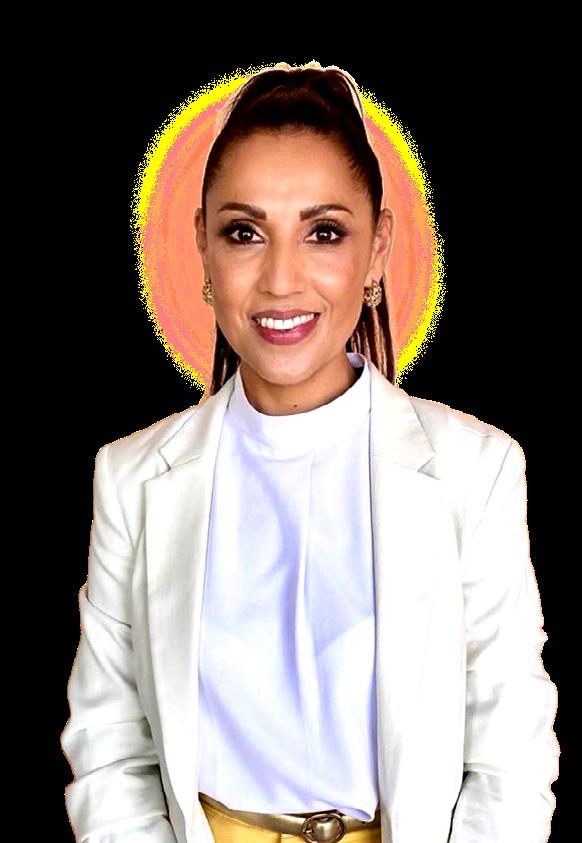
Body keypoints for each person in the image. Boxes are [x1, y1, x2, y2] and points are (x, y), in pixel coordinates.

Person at [60, 63, 560, 843]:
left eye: (323, 232)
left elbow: (509, 759)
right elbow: (111, 748)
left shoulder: (476, 471)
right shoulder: (132, 480)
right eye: (244, 232)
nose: (281, 279)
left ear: (377, 250)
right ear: (202, 247)